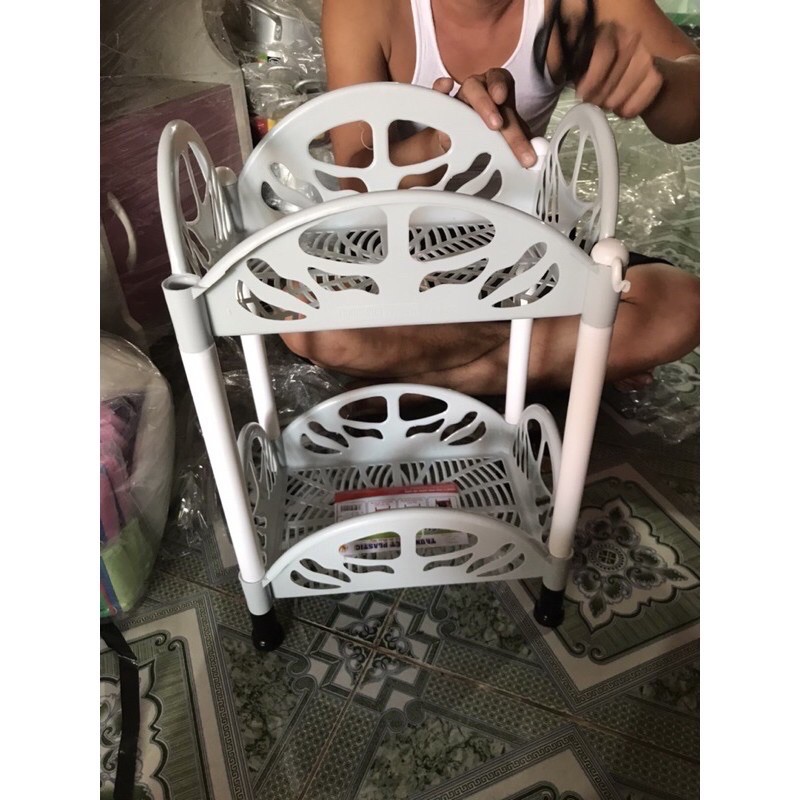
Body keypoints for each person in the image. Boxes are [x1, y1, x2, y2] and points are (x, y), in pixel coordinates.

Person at [280, 0, 700, 396]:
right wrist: (445, 140)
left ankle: (434, 384)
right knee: (309, 326)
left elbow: (699, 97)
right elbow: (356, 183)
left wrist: (658, 81)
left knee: (684, 305)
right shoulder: (364, 9)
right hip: (398, 252)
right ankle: (550, 354)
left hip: (524, 252)